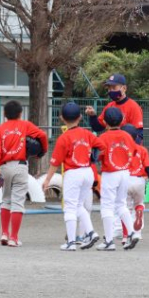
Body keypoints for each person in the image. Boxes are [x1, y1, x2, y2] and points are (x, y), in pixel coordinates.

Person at [42, 102, 104, 251]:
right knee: (78, 205)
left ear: (62, 118)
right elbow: (101, 145)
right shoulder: (87, 133)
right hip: (87, 172)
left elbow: (55, 162)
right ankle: (90, 232)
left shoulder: (64, 138)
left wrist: (48, 179)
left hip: (73, 173)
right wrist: (93, 157)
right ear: (80, 117)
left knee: (70, 207)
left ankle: (71, 242)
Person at [0, 100, 49, 247]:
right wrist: (43, 151)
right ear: (20, 113)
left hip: (4, 167)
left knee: (6, 200)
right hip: (20, 165)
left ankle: (4, 233)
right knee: (17, 202)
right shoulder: (25, 125)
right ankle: (13, 238)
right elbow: (42, 135)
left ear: (4, 114)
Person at [96, 107, 141, 251]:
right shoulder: (127, 135)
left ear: (105, 122)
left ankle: (109, 241)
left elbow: (97, 156)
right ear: (122, 120)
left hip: (110, 172)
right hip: (125, 173)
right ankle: (132, 233)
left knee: (107, 206)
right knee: (121, 204)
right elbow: (134, 151)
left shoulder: (103, 137)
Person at [121, 124, 149, 240]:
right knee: (139, 204)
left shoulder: (120, 150)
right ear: (136, 136)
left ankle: (125, 236)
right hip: (139, 181)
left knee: (125, 208)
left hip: (125, 180)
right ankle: (137, 233)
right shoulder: (142, 150)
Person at [85, 74, 144, 142]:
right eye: (109, 88)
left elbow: (139, 133)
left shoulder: (133, 106)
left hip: (127, 148)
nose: (111, 90)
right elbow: (98, 127)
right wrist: (93, 116)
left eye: (114, 87)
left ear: (124, 88)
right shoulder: (109, 106)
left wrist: (129, 148)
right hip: (112, 148)